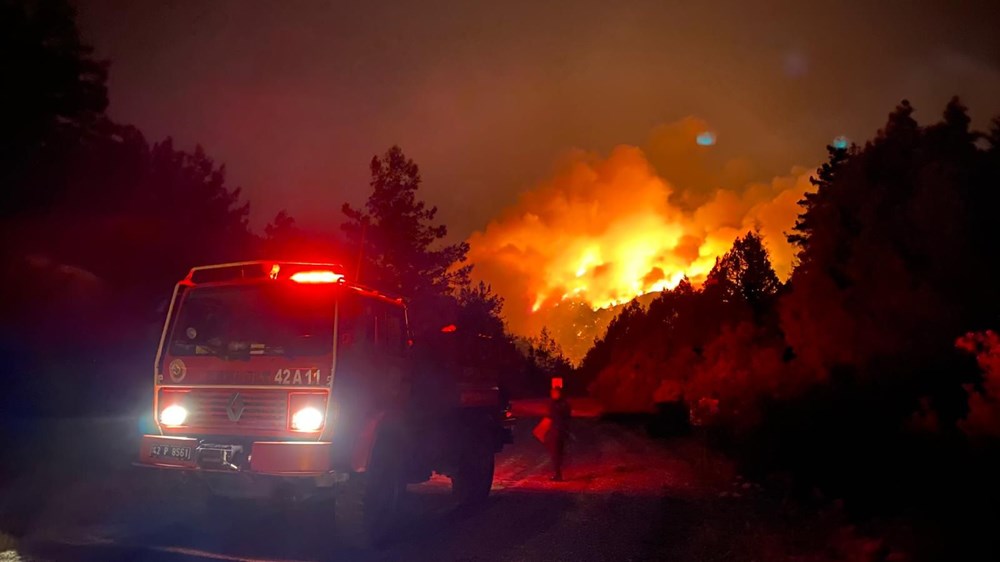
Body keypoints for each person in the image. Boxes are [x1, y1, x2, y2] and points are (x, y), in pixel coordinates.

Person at [546, 386, 572, 481]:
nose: (553, 395)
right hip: (557, 430)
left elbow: (558, 417)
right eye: (552, 393)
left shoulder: (560, 404)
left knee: (556, 452)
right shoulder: (560, 403)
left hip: (557, 431)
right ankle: (558, 473)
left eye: (555, 393)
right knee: (556, 452)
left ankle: (558, 474)